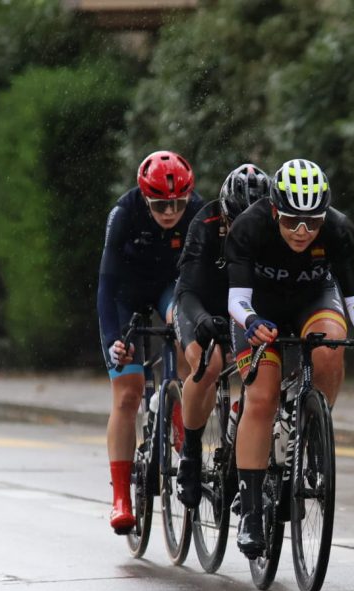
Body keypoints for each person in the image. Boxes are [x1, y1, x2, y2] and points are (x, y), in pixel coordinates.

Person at [225, 158, 354, 558]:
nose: (302, 231)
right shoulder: (249, 226)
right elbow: (236, 299)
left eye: (312, 222)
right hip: (258, 310)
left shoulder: (339, 229)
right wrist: (250, 322)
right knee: (261, 399)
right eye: (293, 221)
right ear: (275, 209)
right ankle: (249, 512)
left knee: (331, 347)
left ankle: (312, 424)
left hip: (313, 299)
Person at [97, 150, 205, 533]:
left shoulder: (199, 212)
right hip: (125, 297)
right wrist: (114, 340)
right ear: (145, 197)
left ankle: (175, 401)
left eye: (178, 203)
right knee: (127, 394)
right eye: (160, 204)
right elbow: (107, 285)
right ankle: (122, 497)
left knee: (186, 324)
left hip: (169, 289)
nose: (171, 212)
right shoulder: (123, 214)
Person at [171, 164, 271, 508]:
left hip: (247, 308)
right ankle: (192, 450)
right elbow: (186, 291)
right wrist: (200, 319)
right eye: (235, 223)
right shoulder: (205, 223)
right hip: (201, 304)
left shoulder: (274, 225)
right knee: (209, 364)